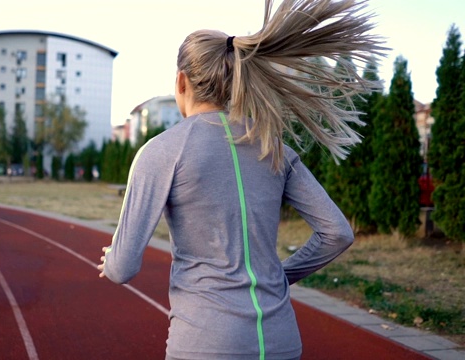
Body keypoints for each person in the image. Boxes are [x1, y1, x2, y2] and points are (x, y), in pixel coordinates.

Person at [97, 0, 385, 359]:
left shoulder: (162, 150)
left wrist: (110, 262)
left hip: (206, 344)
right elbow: (337, 233)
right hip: (281, 342)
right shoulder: (273, 147)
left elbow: (123, 267)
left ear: (181, 81)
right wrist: (279, 276)